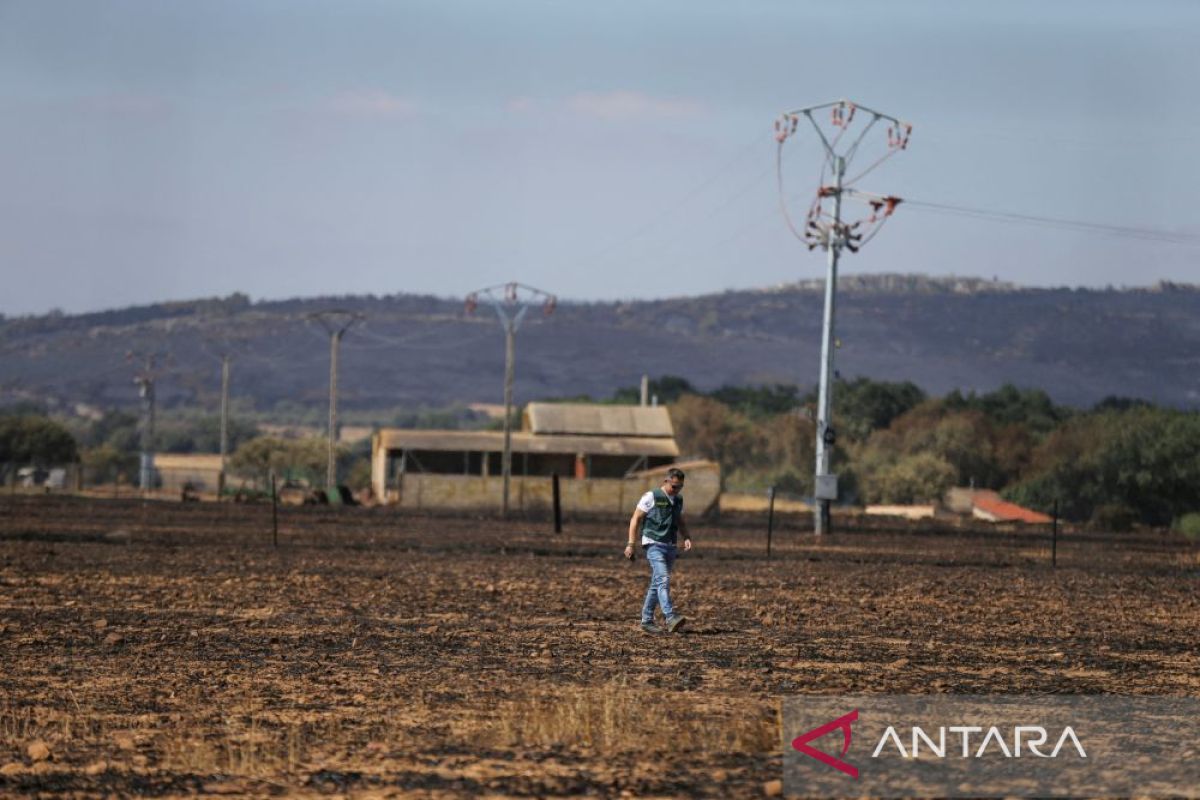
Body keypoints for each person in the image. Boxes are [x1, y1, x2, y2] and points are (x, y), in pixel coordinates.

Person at [625, 467, 693, 634]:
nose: (676, 490)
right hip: (653, 544)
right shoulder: (651, 496)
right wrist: (631, 543)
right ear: (666, 481)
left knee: (657, 584)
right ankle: (670, 617)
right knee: (663, 579)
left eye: (680, 487)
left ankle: (646, 620)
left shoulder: (678, 500)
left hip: (670, 545)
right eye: (674, 486)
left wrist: (686, 537)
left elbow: (680, 520)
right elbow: (636, 519)